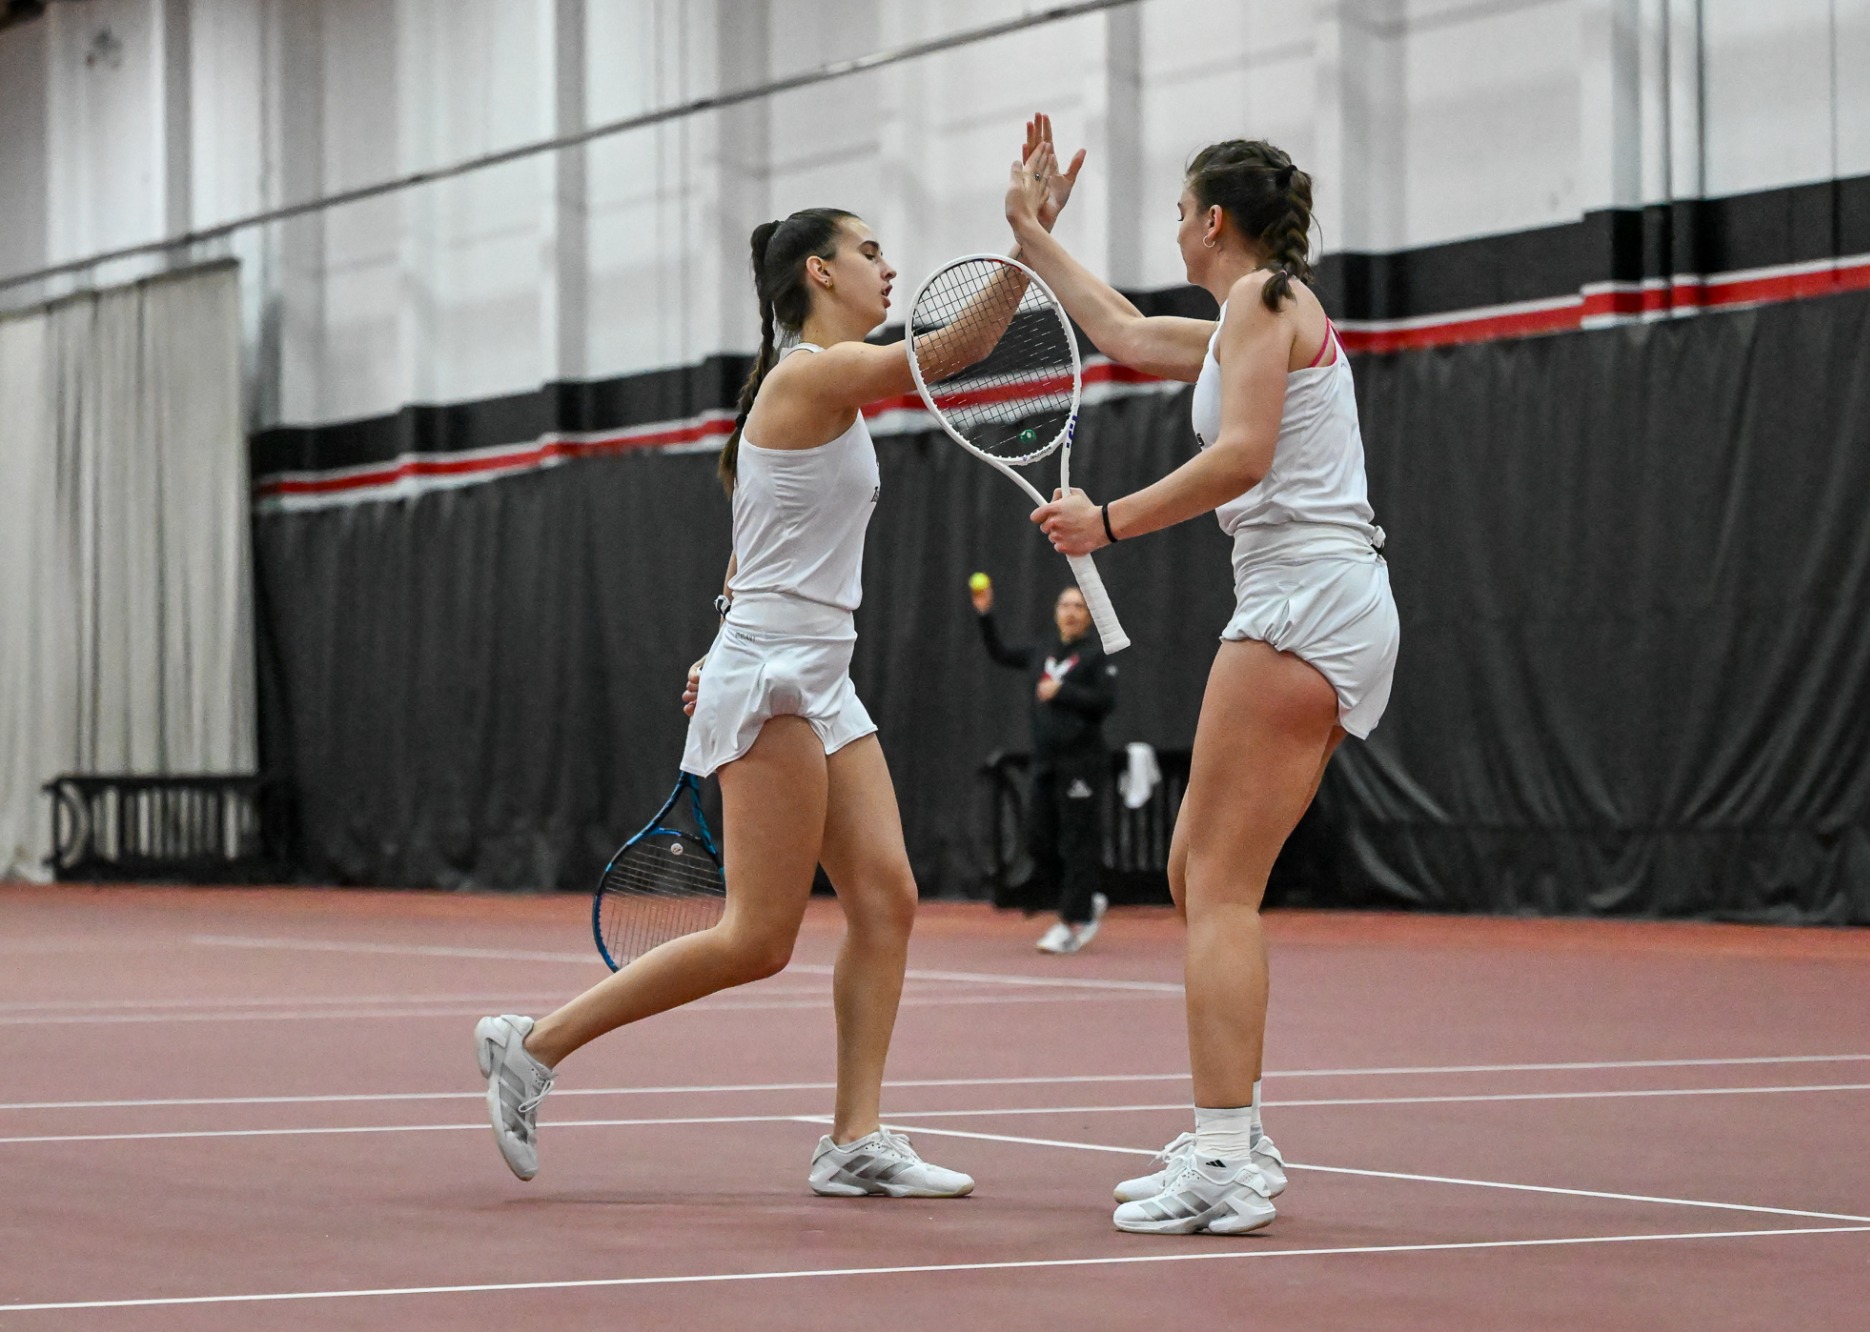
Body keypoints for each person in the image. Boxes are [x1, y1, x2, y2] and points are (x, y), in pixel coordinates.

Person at [473, 122, 1086, 1200]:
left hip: (813, 670)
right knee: (759, 938)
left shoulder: (809, 389)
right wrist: (1025, 238)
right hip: (776, 677)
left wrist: (719, 632)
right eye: (868, 251)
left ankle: (853, 1141)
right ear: (819, 273)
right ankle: (533, 1045)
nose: (888, 267)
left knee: (887, 899)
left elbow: (755, 539)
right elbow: (952, 352)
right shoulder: (813, 377)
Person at [1005, 120, 1398, 1235]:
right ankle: (1240, 1134)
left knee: (1217, 886)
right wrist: (1030, 234)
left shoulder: (1268, 301)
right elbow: (1124, 332)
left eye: (1180, 212)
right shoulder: (1245, 319)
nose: (1174, 227)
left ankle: (1223, 1157)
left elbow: (1242, 456)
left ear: (1213, 221)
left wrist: (1107, 521)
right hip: (1317, 598)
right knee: (1194, 872)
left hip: (1302, 598)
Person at [970, 579, 1117, 953]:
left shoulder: (1096, 657)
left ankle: (1073, 921)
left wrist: (1062, 691)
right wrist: (985, 614)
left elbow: (1105, 701)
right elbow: (1001, 653)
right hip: (1045, 762)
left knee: (1077, 842)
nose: (1071, 613)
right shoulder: (1042, 651)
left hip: (1082, 764)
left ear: (1089, 616)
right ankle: (1082, 900)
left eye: (1078, 607)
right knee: (1038, 839)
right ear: (1056, 612)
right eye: (1065, 605)